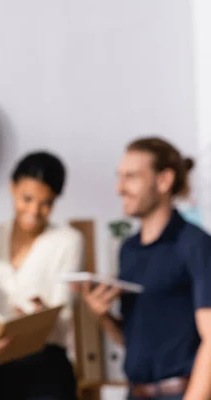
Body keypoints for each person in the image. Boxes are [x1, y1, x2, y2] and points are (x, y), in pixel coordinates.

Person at [77, 137, 211, 400]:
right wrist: (103, 315)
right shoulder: (128, 250)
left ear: (163, 181)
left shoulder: (195, 244)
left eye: (131, 177)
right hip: (135, 393)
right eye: (119, 177)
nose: (119, 188)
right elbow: (132, 339)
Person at [0, 151, 83, 400]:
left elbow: (64, 313)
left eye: (47, 203)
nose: (34, 210)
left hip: (45, 366)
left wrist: (42, 312)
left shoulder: (68, 241)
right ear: (12, 188)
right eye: (27, 198)